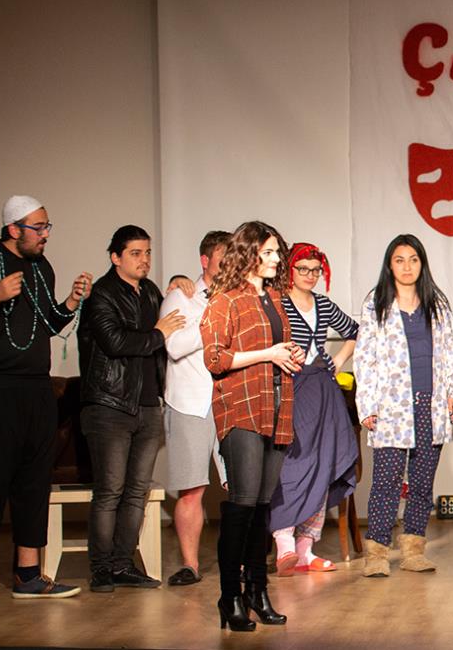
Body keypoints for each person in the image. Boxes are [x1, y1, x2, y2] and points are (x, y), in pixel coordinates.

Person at [0, 195, 89, 606]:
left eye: (47, 227)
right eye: (38, 228)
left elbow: (48, 325)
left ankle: (28, 574)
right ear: (13, 229)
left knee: (33, 481)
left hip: (36, 389)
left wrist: (71, 303)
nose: (45, 235)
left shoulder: (42, 268)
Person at [201, 220, 304, 631]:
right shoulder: (225, 300)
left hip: (277, 406)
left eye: (278, 252)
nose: (277, 259)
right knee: (243, 503)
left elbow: (275, 348)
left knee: (263, 505)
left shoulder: (275, 298)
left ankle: (257, 591)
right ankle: (230, 596)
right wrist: (267, 353)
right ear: (248, 254)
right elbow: (215, 359)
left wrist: (289, 353)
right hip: (241, 407)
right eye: (269, 252)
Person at [78, 225, 183, 592]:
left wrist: (178, 282)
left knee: (137, 491)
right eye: (136, 253)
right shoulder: (101, 294)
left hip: (147, 405)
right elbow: (115, 341)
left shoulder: (150, 291)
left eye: (147, 252)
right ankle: (101, 569)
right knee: (110, 491)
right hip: (109, 405)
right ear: (116, 257)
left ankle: (123, 565)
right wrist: (159, 333)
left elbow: (169, 323)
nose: (144, 259)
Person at [353, 234, 453, 578]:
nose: (407, 267)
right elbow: (364, 357)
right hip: (391, 406)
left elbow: (449, 351)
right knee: (386, 482)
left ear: (422, 264)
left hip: (430, 403)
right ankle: (377, 553)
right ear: (390, 265)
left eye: (413, 259)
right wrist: (367, 405)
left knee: (422, 482)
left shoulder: (436, 303)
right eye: (399, 260)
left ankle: (414, 550)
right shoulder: (376, 304)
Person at [271, 242, 360, 575]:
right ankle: (284, 544)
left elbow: (354, 331)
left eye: (315, 270)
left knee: (324, 464)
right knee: (291, 464)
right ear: (290, 270)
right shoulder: (277, 301)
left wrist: (338, 360)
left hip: (322, 387)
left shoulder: (322, 304)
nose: (309, 275)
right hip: (291, 387)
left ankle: (306, 550)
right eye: (303, 269)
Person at [158, 230, 232, 586]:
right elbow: (172, 346)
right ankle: (190, 565)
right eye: (222, 257)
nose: (229, 263)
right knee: (192, 489)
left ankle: (240, 561)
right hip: (190, 402)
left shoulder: (239, 297)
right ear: (205, 260)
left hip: (230, 400)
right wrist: (211, 324)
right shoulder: (181, 295)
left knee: (241, 487)